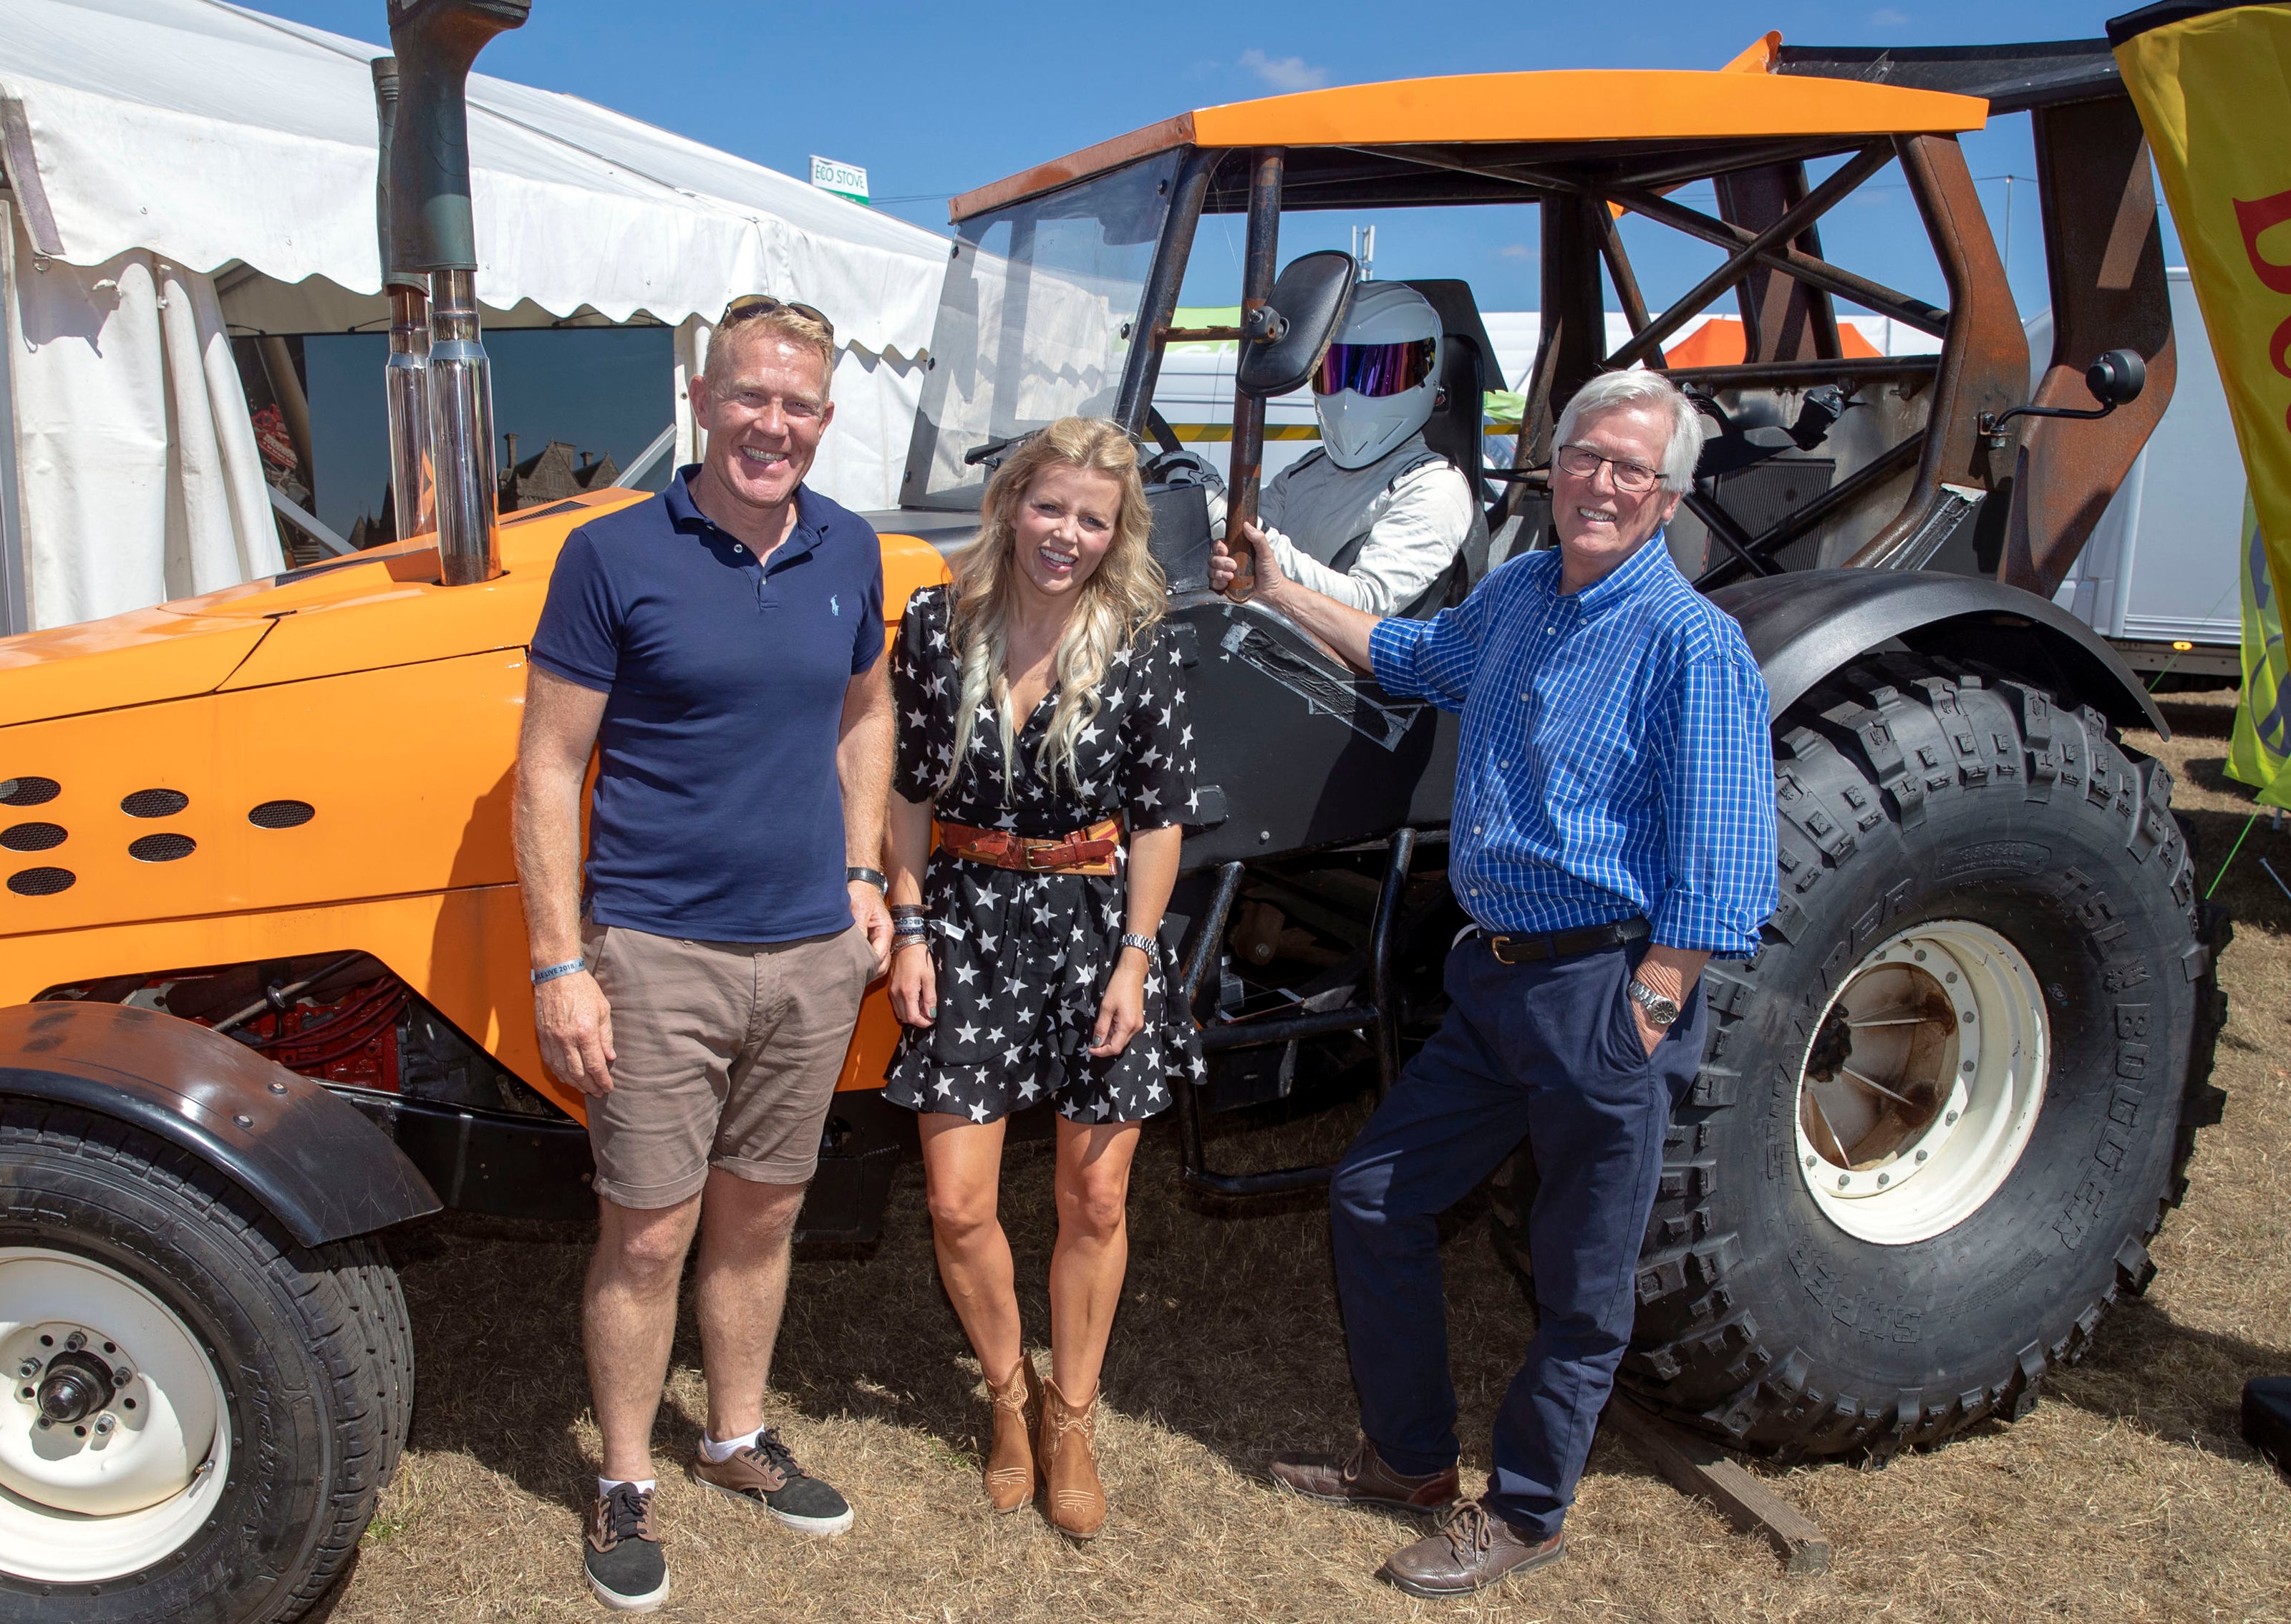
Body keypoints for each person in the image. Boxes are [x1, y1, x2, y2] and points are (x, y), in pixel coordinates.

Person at [1211, 368, 1777, 1598]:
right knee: (1373, 1195)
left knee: (1580, 1270)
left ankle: (1526, 1510)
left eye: (1634, 469)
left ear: (1670, 494)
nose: (1605, 484)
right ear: (1554, 465)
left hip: (1604, 989)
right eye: (1587, 458)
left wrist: (1655, 997)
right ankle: (1410, 1460)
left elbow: (1727, 855)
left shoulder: (1693, 644)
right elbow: (1410, 653)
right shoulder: (1523, 590)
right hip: (1497, 981)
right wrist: (1277, 591)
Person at [513, 295, 894, 1614]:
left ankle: (733, 1435)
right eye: (750, 396)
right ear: (703, 399)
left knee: (766, 1208)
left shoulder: (851, 546)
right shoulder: (612, 555)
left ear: (825, 419)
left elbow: (865, 712)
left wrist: (862, 870)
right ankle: (626, 1474)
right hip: (657, 950)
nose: (771, 424)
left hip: (808, 954)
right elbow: (550, 765)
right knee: (648, 1228)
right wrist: (560, 961)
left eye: (797, 404)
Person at [881, 417, 1200, 1540]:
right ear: (1013, 504)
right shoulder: (936, 623)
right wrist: (909, 926)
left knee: (1095, 1195)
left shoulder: (1141, 639)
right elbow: (909, 789)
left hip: (1093, 925)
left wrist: (1137, 955)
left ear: (1117, 537)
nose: (1066, 533)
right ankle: (1007, 1395)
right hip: (963, 919)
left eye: (1092, 519)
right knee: (957, 1201)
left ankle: (1073, 1414)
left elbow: (1159, 819)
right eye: (1051, 507)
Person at [1234, 280, 1478, 617]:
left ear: (1423, 374)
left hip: (1340, 669)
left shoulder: (1435, 486)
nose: (1349, 394)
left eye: (1376, 373)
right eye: (1337, 370)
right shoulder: (1307, 470)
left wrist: (1261, 547)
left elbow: (1366, 606)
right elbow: (1245, 531)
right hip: (1271, 646)